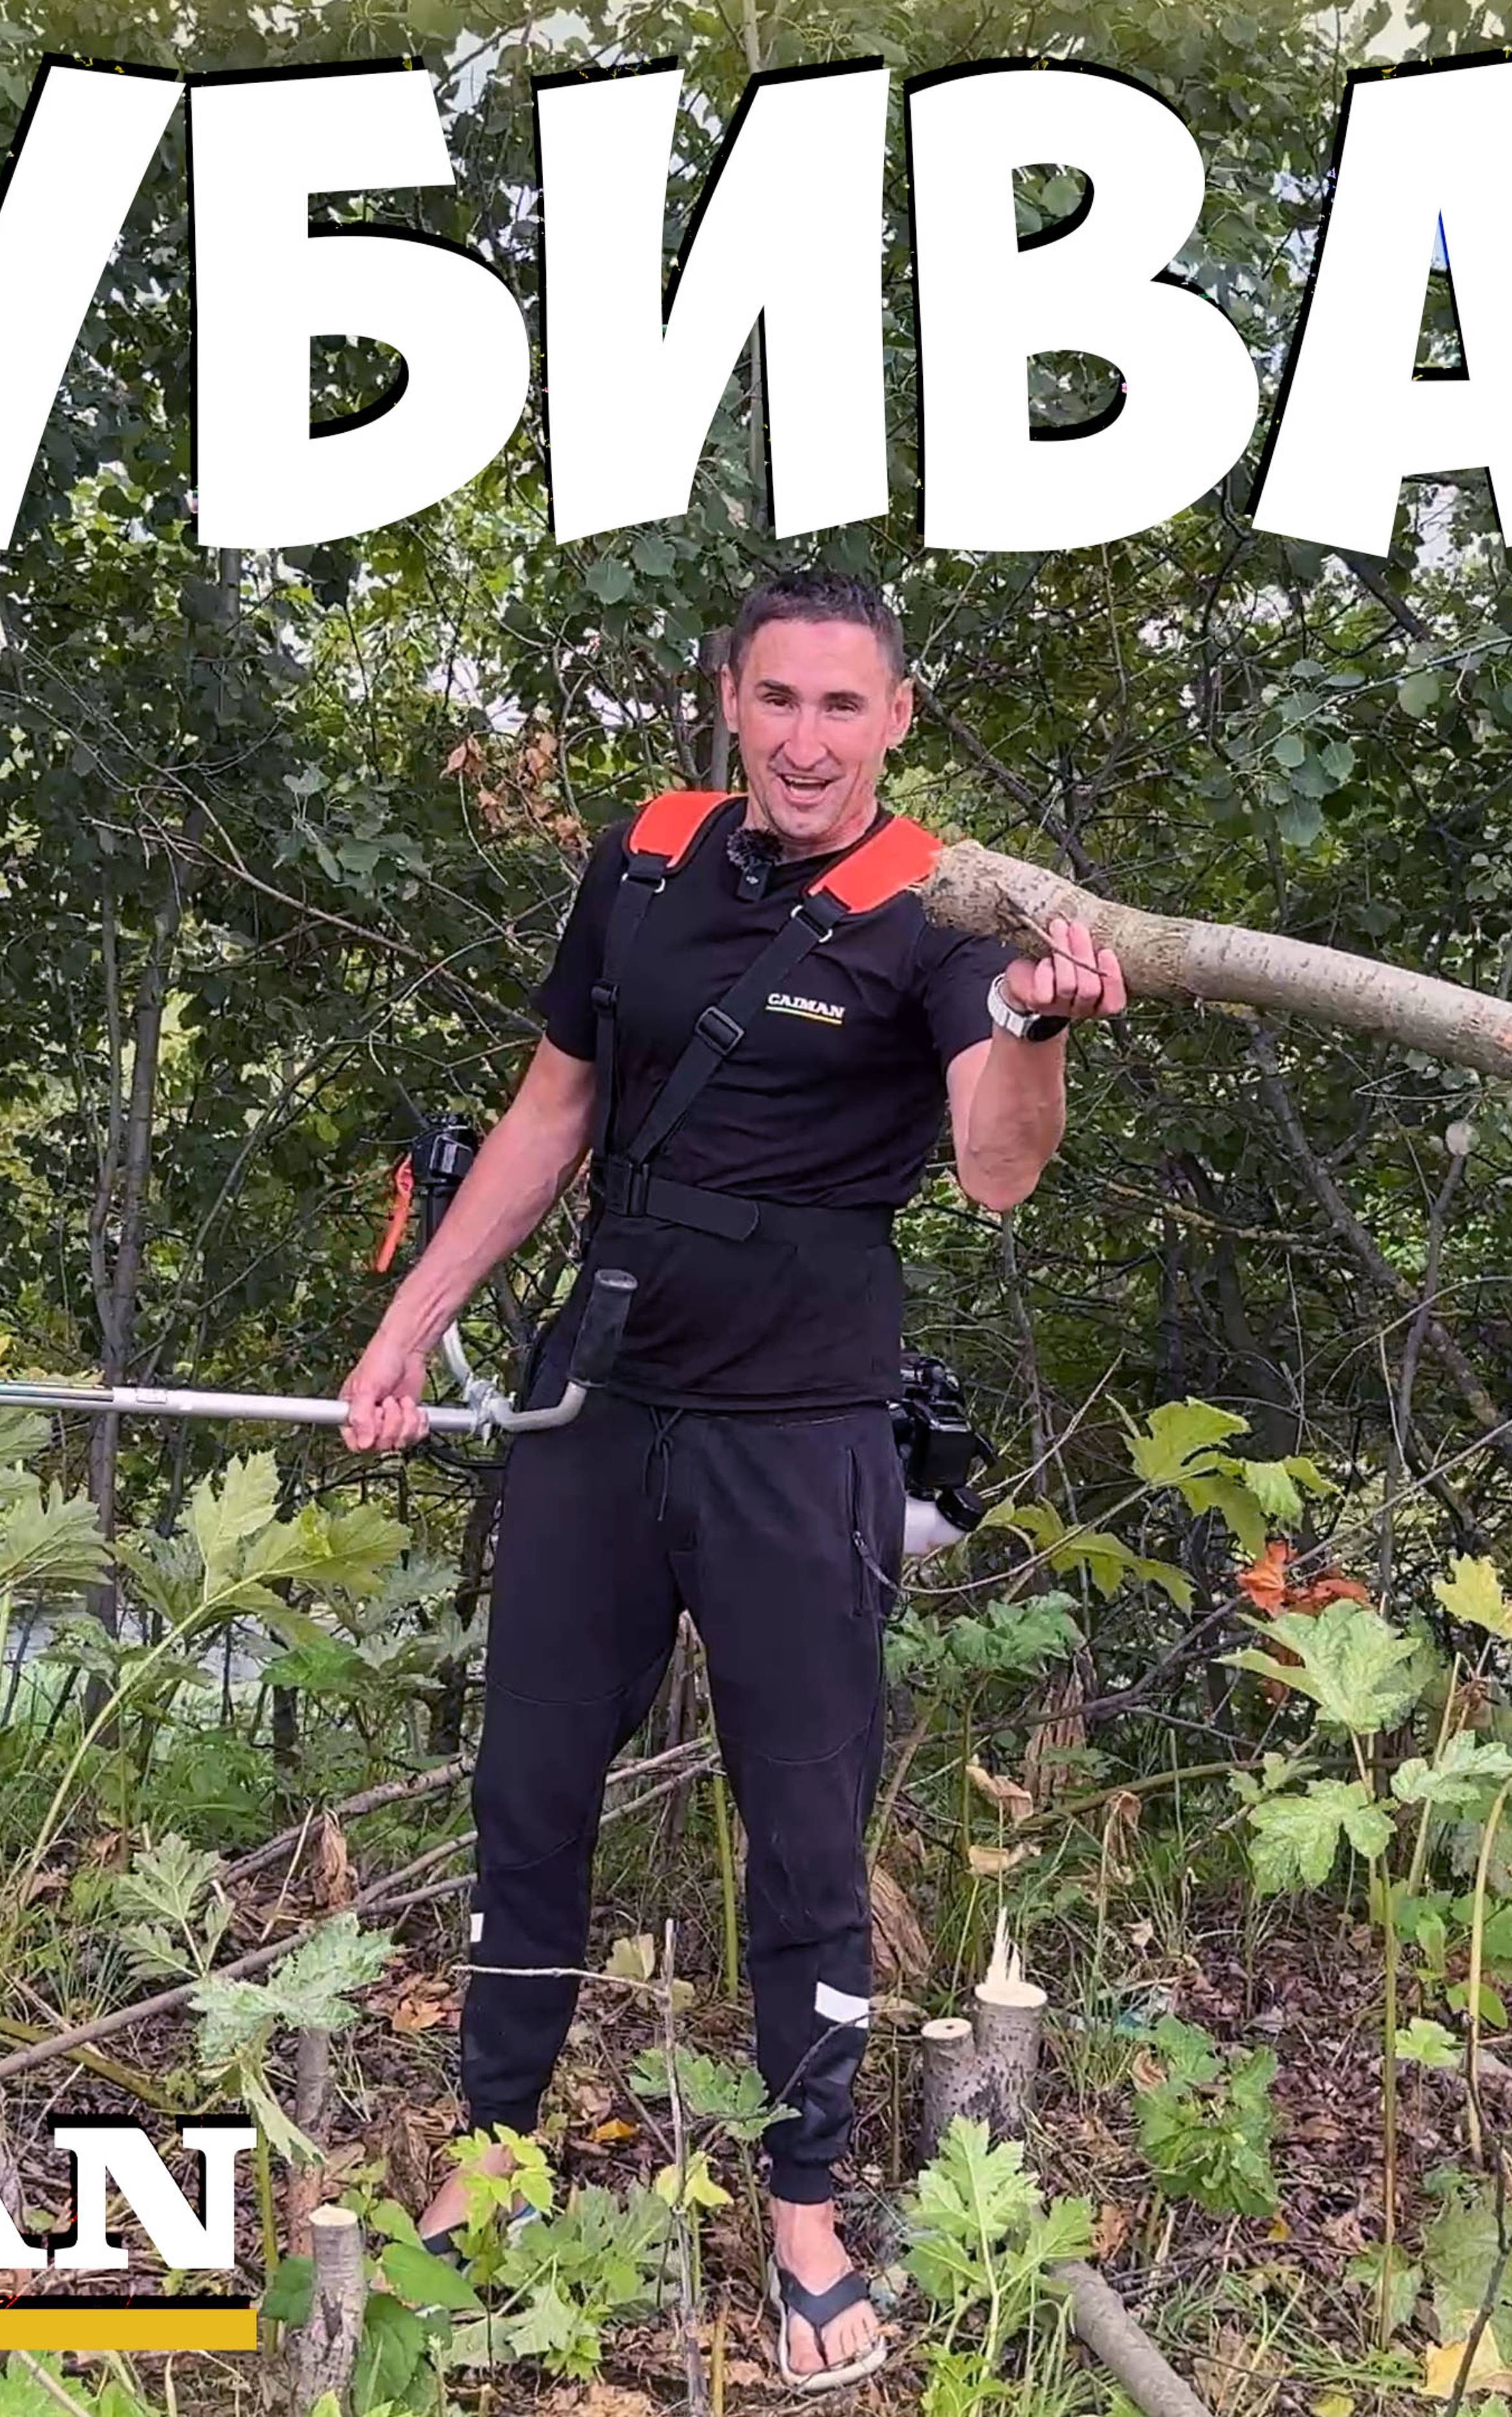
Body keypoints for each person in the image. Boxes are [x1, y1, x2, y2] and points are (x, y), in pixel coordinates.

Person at [338, 568, 1124, 2390]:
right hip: (600, 1410)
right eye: (778, 700)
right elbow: (552, 1112)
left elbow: (998, 1169)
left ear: (896, 720)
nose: (806, 741)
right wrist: (407, 1327)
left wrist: (1036, 1028)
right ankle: (492, 2151)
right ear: (729, 701)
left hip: (802, 1432)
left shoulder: (940, 910)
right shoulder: (646, 861)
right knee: (531, 1790)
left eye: (843, 707)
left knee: (806, 1820)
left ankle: (804, 2209)